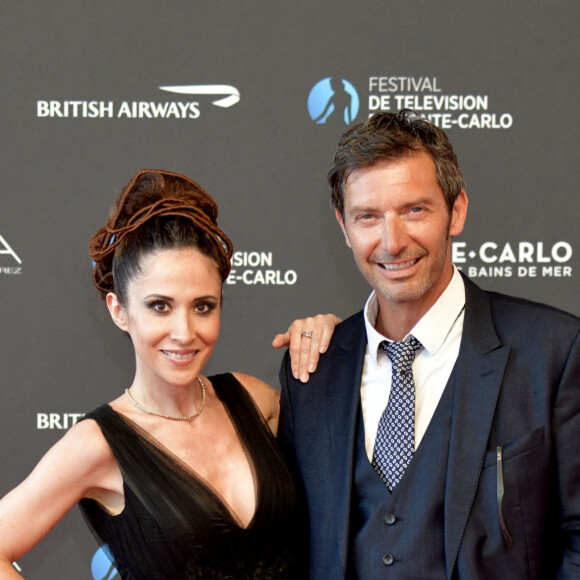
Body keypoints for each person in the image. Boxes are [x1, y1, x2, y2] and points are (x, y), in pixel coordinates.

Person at [277, 110, 580, 579]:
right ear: (343, 226)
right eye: (368, 217)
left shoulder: (553, 352)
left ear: (455, 211)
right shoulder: (312, 371)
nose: (391, 241)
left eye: (414, 210)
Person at [0, 169, 333, 579]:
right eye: (160, 306)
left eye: (203, 306)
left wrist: (339, 343)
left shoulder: (256, 401)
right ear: (118, 310)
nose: (184, 332)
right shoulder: (98, 445)